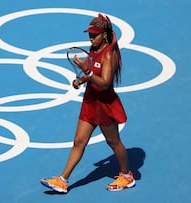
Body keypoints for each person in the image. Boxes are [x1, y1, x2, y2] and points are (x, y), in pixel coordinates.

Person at [40, 13, 135, 193]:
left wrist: (87, 72)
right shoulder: (93, 49)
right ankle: (63, 180)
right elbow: (92, 72)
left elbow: (106, 83)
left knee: (113, 142)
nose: (91, 38)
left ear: (104, 35)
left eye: (95, 35)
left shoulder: (110, 54)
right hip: (91, 102)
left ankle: (127, 176)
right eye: (89, 35)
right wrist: (81, 80)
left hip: (105, 105)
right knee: (79, 141)